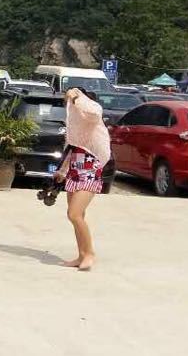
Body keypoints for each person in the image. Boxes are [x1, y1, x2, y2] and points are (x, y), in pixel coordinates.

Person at [54, 88, 111, 271]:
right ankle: (81, 255)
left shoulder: (93, 118)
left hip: (90, 171)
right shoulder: (76, 129)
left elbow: (94, 112)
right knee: (78, 217)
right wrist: (62, 171)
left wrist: (77, 97)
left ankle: (90, 254)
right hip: (74, 172)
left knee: (74, 214)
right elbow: (70, 149)